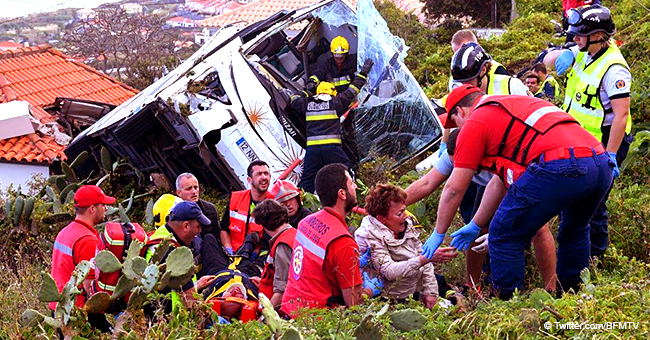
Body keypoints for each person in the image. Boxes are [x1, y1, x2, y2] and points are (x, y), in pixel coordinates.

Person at [421, 85, 613, 299]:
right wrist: (475, 225)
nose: (458, 130)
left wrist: (439, 232)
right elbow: (499, 182)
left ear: (461, 111)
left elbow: (454, 188)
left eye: (455, 122)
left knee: (503, 234)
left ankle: (507, 305)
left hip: (561, 163)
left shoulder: (475, 120)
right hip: (600, 161)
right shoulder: (510, 109)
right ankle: (573, 296)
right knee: (575, 229)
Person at [406, 129, 557, 292]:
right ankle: (472, 286)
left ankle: (552, 287)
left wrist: (499, 229)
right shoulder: (452, 155)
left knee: (539, 228)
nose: (457, 169)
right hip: (489, 186)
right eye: (454, 165)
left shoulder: (498, 156)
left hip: (516, 180)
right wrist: (391, 204)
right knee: (474, 230)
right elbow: (426, 183)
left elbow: (507, 192)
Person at [544, 4, 632, 259]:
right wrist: (564, 53)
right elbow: (547, 60)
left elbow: (621, 115)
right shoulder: (584, 51)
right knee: (574, 199)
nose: (575, 39)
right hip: (580, 141)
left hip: (605, 142)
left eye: (580, 35)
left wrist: (611, 155)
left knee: (594, 204)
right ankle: (580, 255)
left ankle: (595, 258)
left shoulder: (614, 69)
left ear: (598, 35)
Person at [281, 163, 381, 317]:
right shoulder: (343, 242)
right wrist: (370, 290)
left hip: (290, 310)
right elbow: (354, 303)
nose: (354, 186)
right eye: (350, 183)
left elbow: (315, 267)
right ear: (342, 193)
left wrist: (351, 263)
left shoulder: (305, 223)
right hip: (316, 322)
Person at [291, 59, 373, 193]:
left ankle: (304, 203)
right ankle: (351, 196)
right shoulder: (336, 103)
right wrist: (363, 73)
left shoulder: (307, 105)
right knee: (346, 171)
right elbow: (353, 90)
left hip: (313, 151)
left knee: (307, 180)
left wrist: (306, 92)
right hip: (332, 149)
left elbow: (293, 100)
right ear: (332, 93)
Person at [355, 184, 438, 308]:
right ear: (381, 218)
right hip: (390, 299)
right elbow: (390, 271)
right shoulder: (369, 235)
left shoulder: (407, 223)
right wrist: (424, 259)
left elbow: (422, 254)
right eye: (399, 214)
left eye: (404, 210)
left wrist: (430, 292)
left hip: (414, 288)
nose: (405, 216)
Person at [50, 185, 115, 331]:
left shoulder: (65, 231)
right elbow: (89, 287)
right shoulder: (88, 240)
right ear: (92, 208)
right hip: (77, 313)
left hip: (58, 308)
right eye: (103, 205)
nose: (106, 209)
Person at [145, 201, 217, 312]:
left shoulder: (161, 235)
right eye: (198, 227)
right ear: (185, 226)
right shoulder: (173, 253)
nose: (199, 231)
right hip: (164, 320)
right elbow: (190, 302)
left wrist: (197, 285)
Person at [220, 160, 274, 254]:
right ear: (249, 180)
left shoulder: (274, 204)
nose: (264, 177)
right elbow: (224, 230)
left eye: (266, 173)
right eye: (259, 174)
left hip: (256, 257)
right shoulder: (235, 199)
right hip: (232, 253)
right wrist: (228, 250)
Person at [253, 199, 297, 310]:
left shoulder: (282, 245)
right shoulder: (295, 234)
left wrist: (265, 319)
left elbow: (282, 289)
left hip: (282, 312)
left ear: (264, 224)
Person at [175, 173, 220, 237]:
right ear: (179, 193)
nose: (194, 191)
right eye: (189, 188)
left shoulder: (210, 209)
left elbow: (217, 237)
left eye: (196, 187)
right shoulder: (173, 213)